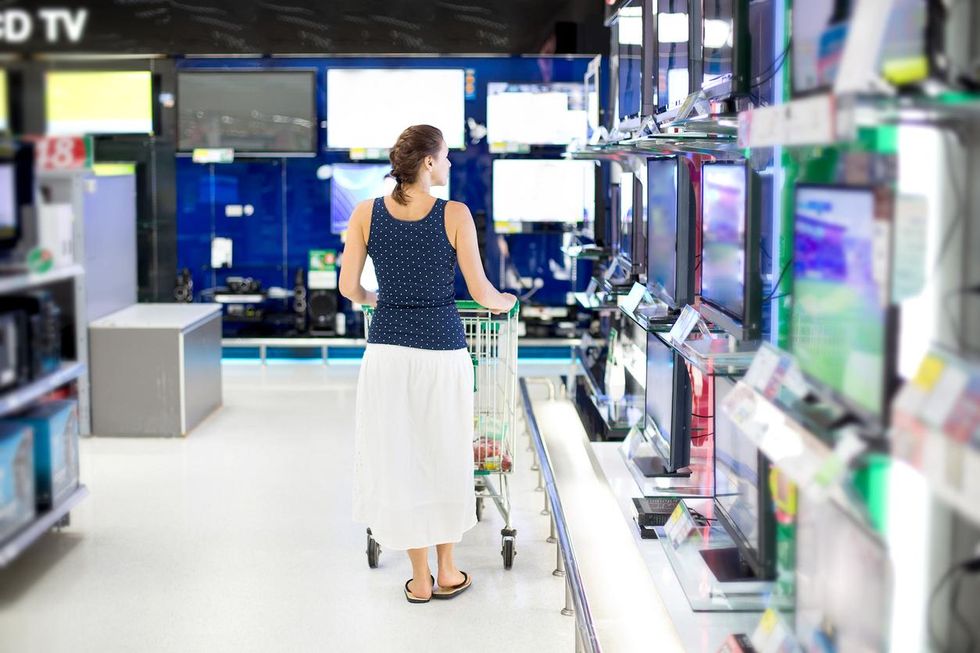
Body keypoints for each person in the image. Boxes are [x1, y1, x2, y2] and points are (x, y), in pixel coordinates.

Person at [339, 124, 517, 604]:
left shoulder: (366, 214)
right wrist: (506, 300)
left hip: (387, 353)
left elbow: (348, 289)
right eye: (447, 157)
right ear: (429, 163)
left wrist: (376, 297)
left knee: (402, 456)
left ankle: (418, 579)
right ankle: (447, 569)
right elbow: (481, 292)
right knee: (444, 453)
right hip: (441, 352)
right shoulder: (455, 214)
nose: (452, 165)